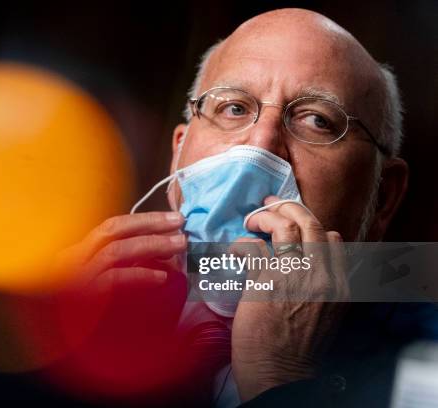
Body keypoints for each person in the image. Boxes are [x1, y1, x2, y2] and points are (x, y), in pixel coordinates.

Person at [56, 8, 437, 407]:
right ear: (179, 154)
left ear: (383, 198)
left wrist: (280, 379)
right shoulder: (69, 314)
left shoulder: (427, 365)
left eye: (317, 121)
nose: (259, 146)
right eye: (234, 108)